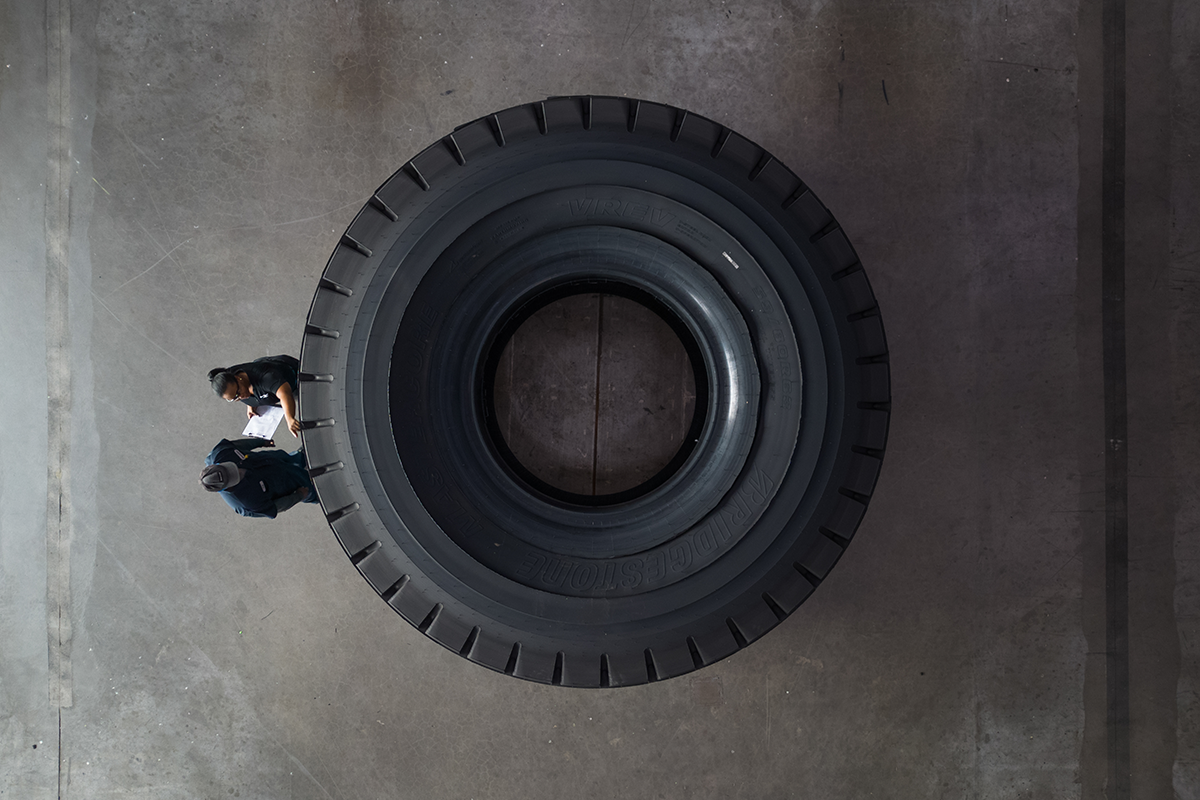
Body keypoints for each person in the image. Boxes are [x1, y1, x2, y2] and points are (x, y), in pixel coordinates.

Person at [199, 437, 319, 518]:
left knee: (296, 458)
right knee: (316, 490)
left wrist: (260, 442)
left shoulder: (220, 453)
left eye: (232, 468)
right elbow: (276, 506)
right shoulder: (246, 504)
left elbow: (238, 445)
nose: (241, 471)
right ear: (225, 488)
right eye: (235, 477)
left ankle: (302, 457)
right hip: (288, 484)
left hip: (275, 460)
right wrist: (299, 495)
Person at [208, 354, 301, 436]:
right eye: (234, 398)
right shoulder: (231, 382)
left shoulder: (265, 377)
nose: (240, 397)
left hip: (295, 376)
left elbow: (285, 394)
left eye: (238, 393)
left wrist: (289, 418)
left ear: (238, 378)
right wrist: (252, 404)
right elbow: (242, 392)